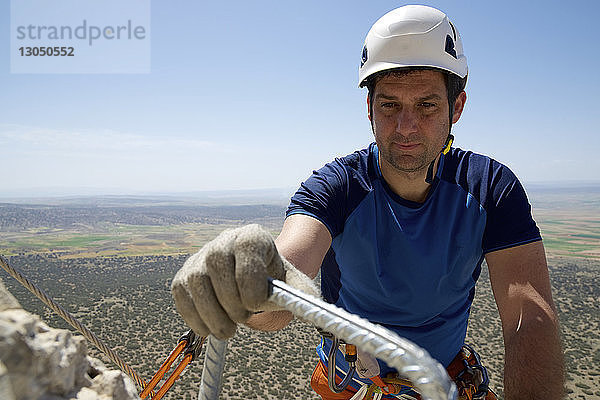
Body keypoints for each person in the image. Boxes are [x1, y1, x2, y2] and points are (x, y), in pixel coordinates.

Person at [171, 5, 564, 399]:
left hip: (440, 381)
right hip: (356, 385)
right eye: (389, 104)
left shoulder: (490, 189)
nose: (405, 127)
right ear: (369, 108)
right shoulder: (337, 186)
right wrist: (248, 282)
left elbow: (530, 318)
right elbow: (287, 277)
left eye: (427, 105)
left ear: (456, 107)